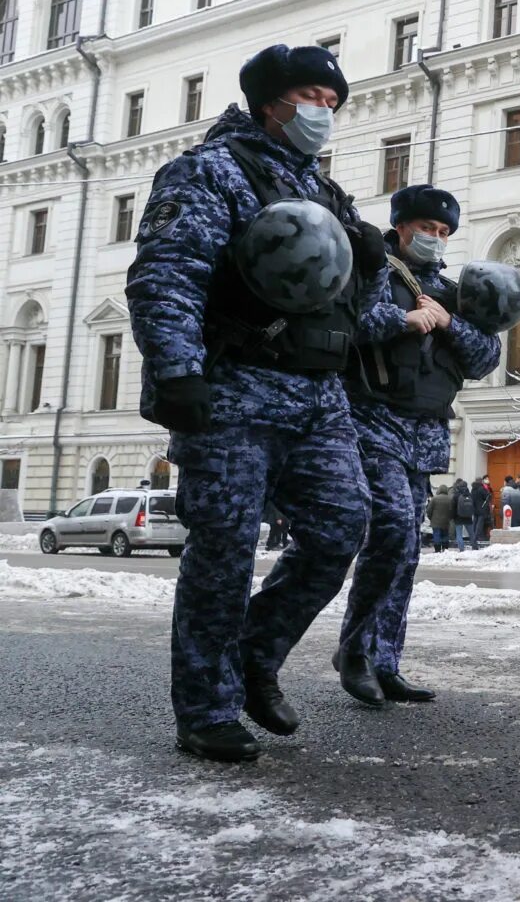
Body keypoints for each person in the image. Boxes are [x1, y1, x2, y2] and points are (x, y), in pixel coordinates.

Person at [125, 43, 389, 763]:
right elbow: (168, 273)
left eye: (332, 104)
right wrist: (178, 370)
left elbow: (349, 312)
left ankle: (254, 654)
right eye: (310, 97)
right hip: (232, 390)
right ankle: (206, 709)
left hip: (315, 396)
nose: (322, 114)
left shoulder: (326, 192)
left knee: (340, 527)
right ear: (269, 101)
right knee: (224, 549)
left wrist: (368, 265)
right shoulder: (210, 171)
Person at [333, 184, 505, 706]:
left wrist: (449, 322)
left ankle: (386, 662)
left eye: (443, 231)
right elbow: (345, 320)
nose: (434, 238)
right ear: (401, 226)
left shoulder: (451, 292)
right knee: (390, 534)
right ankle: (355, 651)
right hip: (372, 420)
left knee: (405, 551)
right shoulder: (370, 271)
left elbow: (484, 357)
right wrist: (404, 318)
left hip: (423, 430)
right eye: (426, 228)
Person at [428, 485, 455, 552]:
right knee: (445, 534)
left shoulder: (434, 498)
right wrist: (450, 518)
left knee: (436, 535)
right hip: (446, 521)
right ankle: (445, 548)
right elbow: (452, 511)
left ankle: (437, 549)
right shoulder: (450, 499)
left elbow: (429, 510)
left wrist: (431, 518)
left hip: (435, 521)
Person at [451, 478, 472, 552]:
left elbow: (453, 507)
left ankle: (461, 549)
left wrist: (453, 517)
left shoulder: (456, 495)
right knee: (471, 533)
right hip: (468, 517)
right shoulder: (469, 494)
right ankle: (474, 547)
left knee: (459, 534)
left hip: (458, 517)